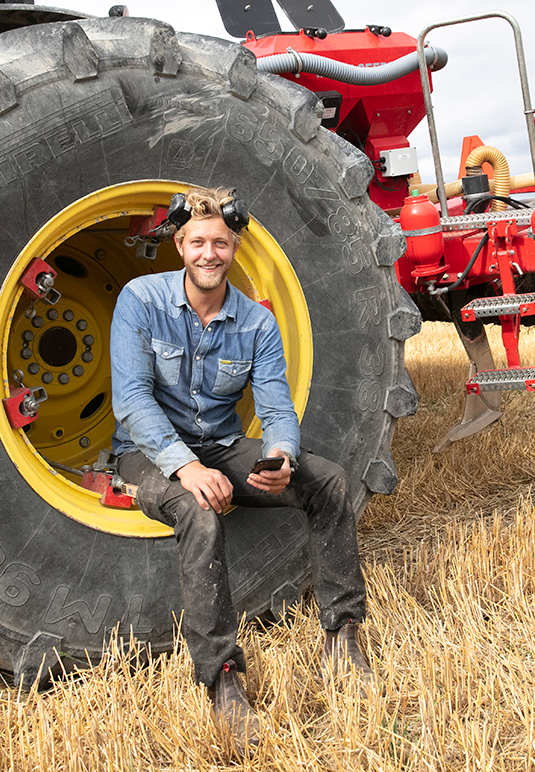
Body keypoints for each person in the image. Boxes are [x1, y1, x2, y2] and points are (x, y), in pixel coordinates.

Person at [109, 186, 372, 749]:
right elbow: (131, 399)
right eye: (198, 242)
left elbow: (277, 406)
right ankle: (223, 677)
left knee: (328, 482)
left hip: (223, 444)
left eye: (221, 243)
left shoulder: (255, 322)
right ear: (179, 245)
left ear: (234, 250)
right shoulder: (141, 299)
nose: (210, 254)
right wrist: (184, 468)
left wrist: (280, 455)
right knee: (201, 513)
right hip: (148, 452)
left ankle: (344, 631)